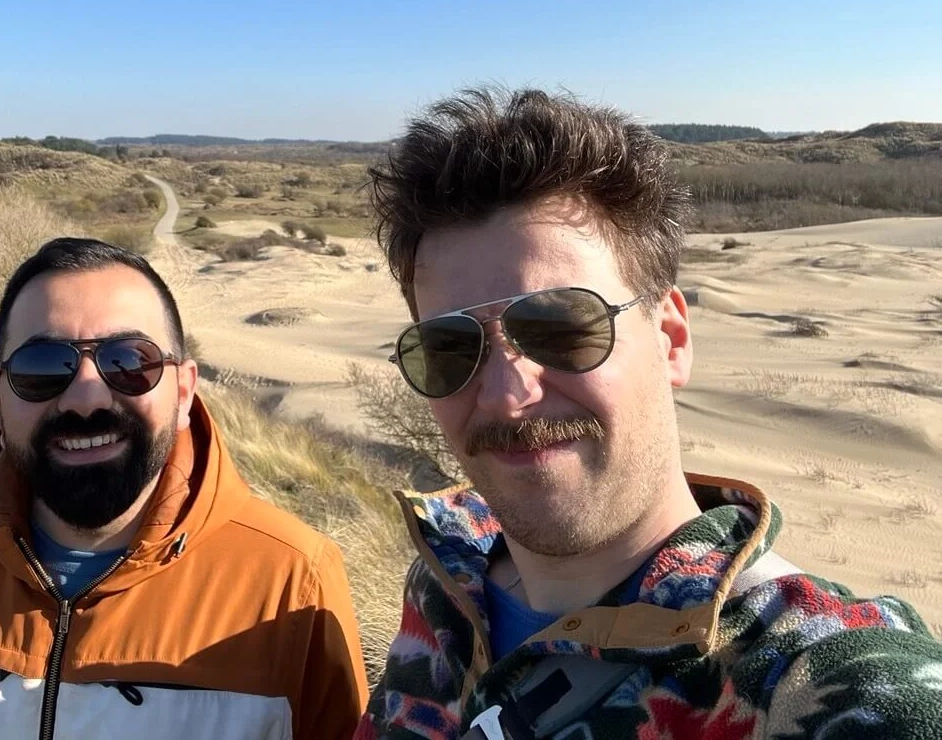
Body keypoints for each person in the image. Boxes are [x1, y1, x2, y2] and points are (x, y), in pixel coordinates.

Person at [355, 87, 942, 739]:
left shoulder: (817, 680)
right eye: (450, 347)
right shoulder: (442, 585)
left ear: (671, 340)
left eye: (560, 328)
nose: (504, 395)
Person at [0, 237, 367, 739]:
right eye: (42, 368)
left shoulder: (295, 581)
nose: (86, 397)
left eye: (129, 362)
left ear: (184, 390)